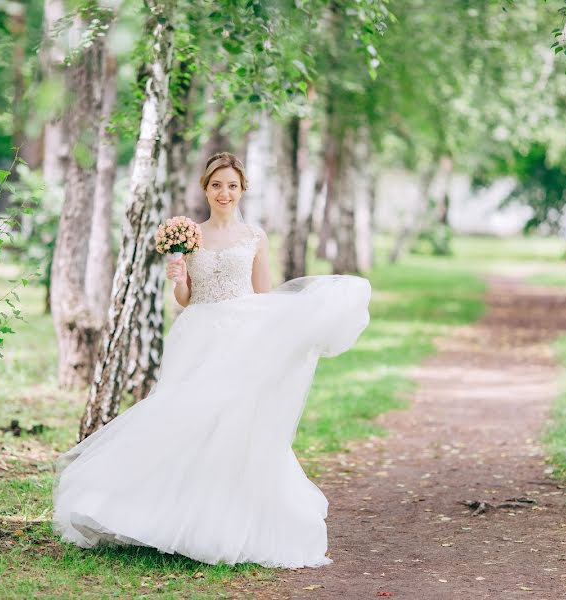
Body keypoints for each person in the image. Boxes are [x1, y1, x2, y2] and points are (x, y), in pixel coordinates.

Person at [52, 152, 371, 568]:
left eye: (232, 186)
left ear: (242, 191)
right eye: (217, 184)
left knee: (232, 424)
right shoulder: (189, 234)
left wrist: (283, 333)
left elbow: (264, 296)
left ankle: (226, 521)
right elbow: (185, 300)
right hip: (198, 333)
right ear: (205, 188)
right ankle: (154, 513)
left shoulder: (255, 237)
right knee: (183, 416)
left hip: (242, 335)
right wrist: (179, 278)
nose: (225, 192)